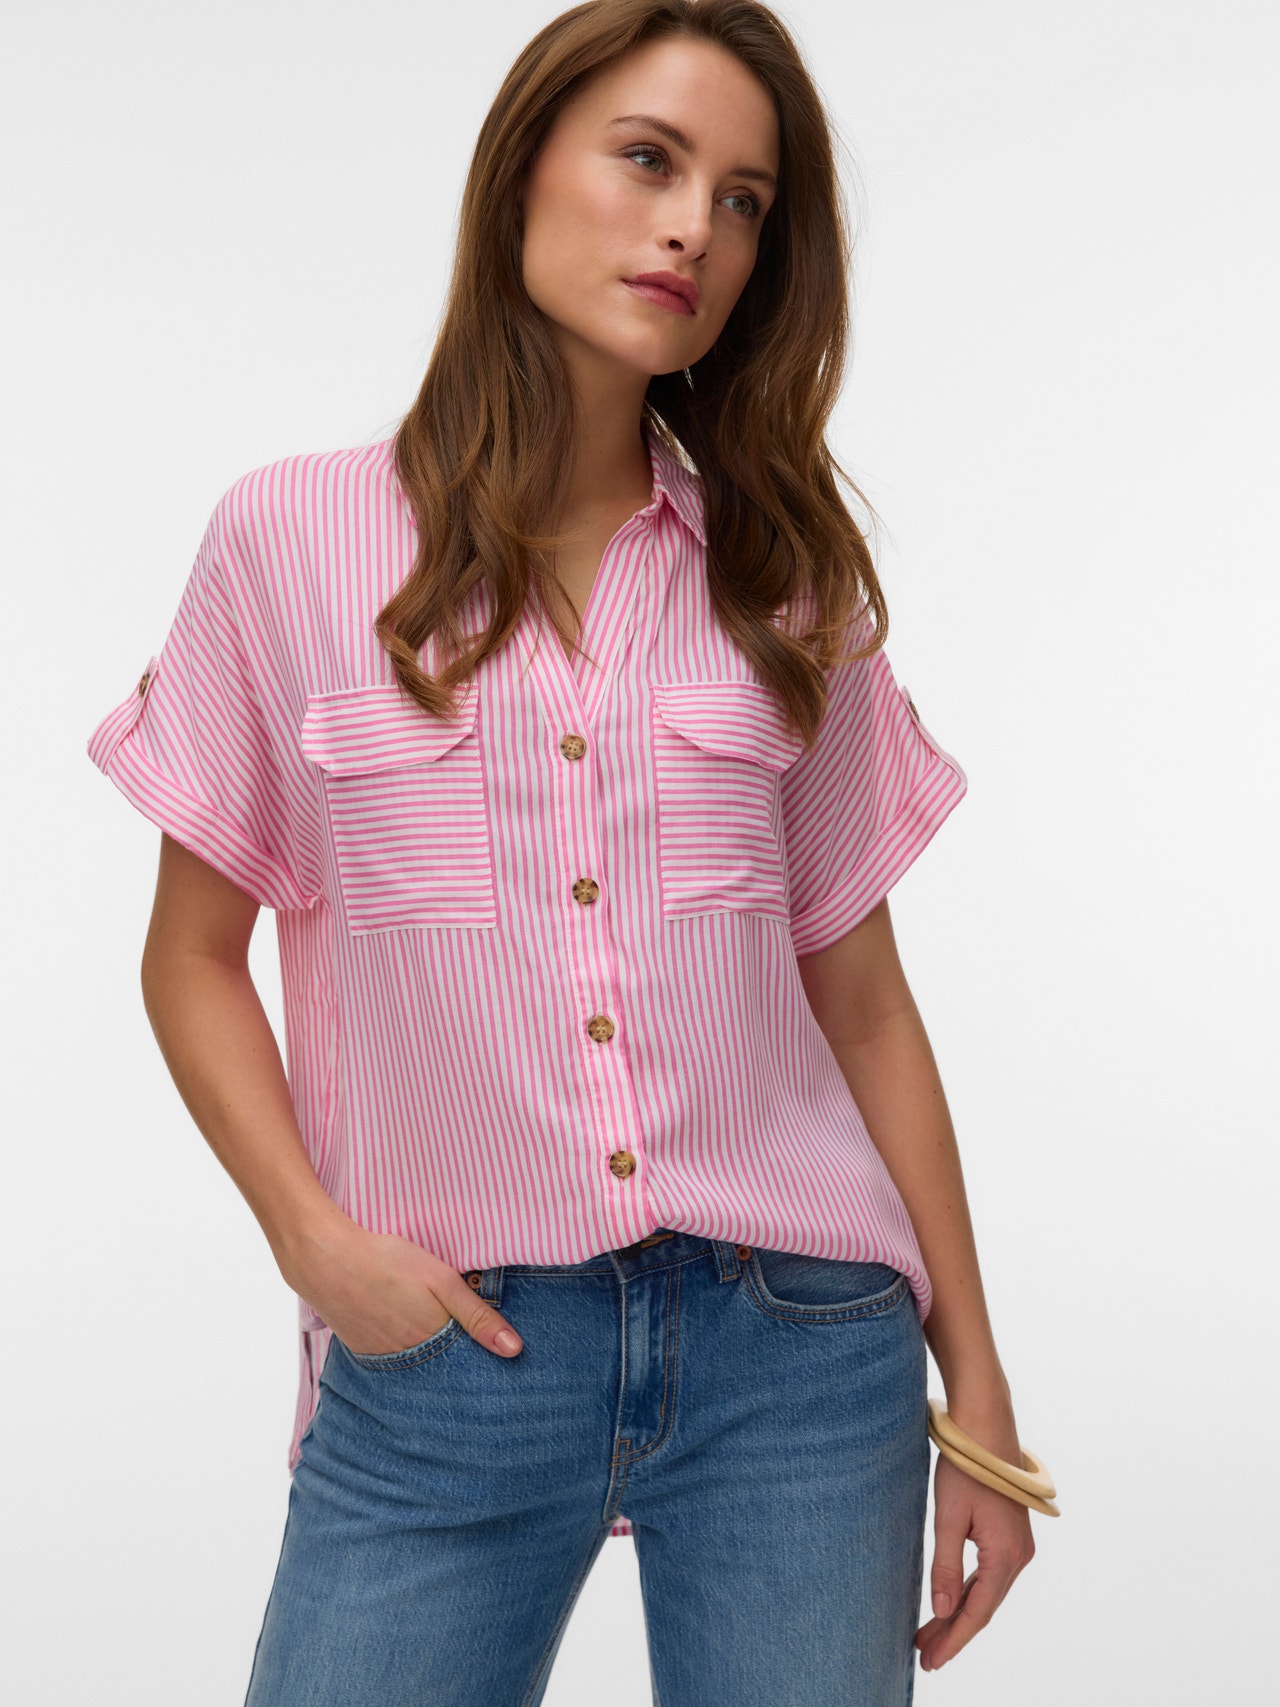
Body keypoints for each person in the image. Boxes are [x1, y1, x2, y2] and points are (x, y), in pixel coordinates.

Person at [86, 2, 1043, 1702]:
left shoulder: (781, 573)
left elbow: (865, 1001)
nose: (694, 230)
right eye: (649, 161)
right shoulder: (291, 539)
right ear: (522, 168)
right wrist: (313, 1242)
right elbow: (190, 957)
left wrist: (978, 1397)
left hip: (800, 1351)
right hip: (450, 1348)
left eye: (743, 202)